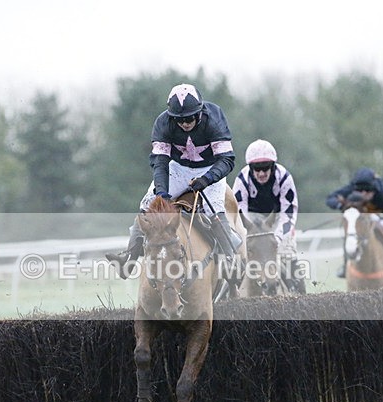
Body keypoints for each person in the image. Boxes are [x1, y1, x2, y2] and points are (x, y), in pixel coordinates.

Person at [106, 83, 242, 278]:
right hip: (178, 168)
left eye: (189, 118)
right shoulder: (163, 123)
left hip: (210, 168)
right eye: (179, 120)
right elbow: (160, 163)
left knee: (214, 210)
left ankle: (231, 260)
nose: (185, 123)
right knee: (147, 205)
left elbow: (227, 160)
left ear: (199, 113)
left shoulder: (214, 118)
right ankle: (129, 258)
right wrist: (162, 193)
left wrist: (206, 179)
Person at [232, 139, 304, 293]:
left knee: (287, 254)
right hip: (250, 220)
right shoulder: (242, 179)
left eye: (265, 168)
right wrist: (248, 235)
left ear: (273, 166)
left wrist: (276, 237)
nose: (261, 173)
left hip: (277, 219)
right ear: (250, 168)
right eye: (257, 169)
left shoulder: (284, 177)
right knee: (237, 257)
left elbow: (288, 212)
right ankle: (227, 292)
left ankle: (300, 294)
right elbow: (238, 213)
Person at [326, 167, 383, 277]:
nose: (363, 194)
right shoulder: (351, 187)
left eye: (368, 191)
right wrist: (342, 206)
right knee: (351, 235)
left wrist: (380, 216)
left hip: (380, 218)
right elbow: (330, 199)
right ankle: (345, 265)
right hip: (361, 219)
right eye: (360, 191)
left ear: (374, 188)